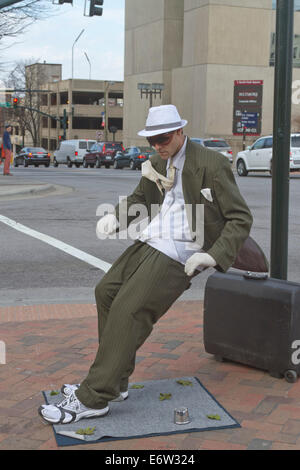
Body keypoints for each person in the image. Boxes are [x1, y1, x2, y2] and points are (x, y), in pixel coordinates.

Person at [39, 104, 253, 425]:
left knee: (129, 309)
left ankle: (95, 396)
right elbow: (142, 199)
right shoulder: (157, 161)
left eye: (163, 139)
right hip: (151, 239)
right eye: (152, 140)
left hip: (182, 250)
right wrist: (116, 216)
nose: (158, 146)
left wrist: (212, 255)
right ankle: (117, 380)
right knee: (106, 293)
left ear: (180, 131)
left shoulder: (211, 164)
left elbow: (240, 217)